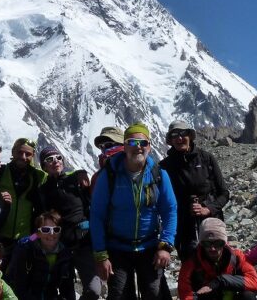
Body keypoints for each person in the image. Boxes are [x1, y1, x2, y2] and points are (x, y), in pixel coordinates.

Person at [90, 122, 178, 300]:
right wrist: (100, 255)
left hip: (149, 246)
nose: (138, 148)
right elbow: (97, 215)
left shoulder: (159, 175)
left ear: (149, 147)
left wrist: (166, 245)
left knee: (154, 293)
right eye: (132, 143)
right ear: (124, 147)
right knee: (120, 294)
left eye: (143, 143)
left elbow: (170, 210)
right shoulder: (109, 175)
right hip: (117, 247)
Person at [159, 120, 229, 258]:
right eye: (174, 135)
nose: (179, 138)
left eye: (183, 133)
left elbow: (224, 193)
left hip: (211, 223)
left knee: (215, 263)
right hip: (183, 226)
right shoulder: (164, 167)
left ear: (190, 136)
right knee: (190, 265)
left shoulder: (207, 159)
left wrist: (208, 208)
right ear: (170, 140)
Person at [34, 146, 95, 299]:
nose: (55, 161)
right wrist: (34, 238)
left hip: (84, 241)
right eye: (50, 159)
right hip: (60, 246)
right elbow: (41, 218)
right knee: (65, 290)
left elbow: (92, 205)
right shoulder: (43, 191)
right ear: (44, 166)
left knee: (94, 289)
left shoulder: (76, 180)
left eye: (58, 157)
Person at [0, 138, 47, 266]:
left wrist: (33, 238)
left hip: (25, 241)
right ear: (13, 152)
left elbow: (43, 212)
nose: (23, 157)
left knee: (19, 281)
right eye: (19, 152)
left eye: (28, 154)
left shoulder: (38, 177)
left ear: (33, 156)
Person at [177, 218, 257, 300]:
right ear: (201, 244)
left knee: (248, 296)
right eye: (207, 243)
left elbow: (254, 282)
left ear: (224, 243)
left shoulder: (237, 257)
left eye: (218, 243)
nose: (212, 248)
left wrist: (220, 280)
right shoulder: (191, 262)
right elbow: (185, 295)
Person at [5, 210, 76, 300]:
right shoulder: (25, 250)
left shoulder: (65, 254)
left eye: (56, 229)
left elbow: (68, 289)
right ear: (38, 233)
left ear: (60, 232)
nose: (51, 233)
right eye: (46, 230)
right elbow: (19, 287)